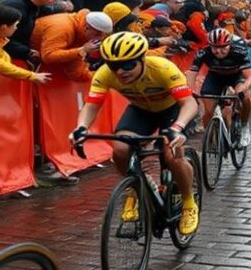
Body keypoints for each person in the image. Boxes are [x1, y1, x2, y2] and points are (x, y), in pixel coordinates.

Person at [70, 32, 200, 235]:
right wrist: (81, 128)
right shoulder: (105, 73)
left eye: (128, 64)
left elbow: (189, 103)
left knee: (171, 154)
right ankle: (136, 186)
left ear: (142, 59)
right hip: (141, 111)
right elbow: (91, 105)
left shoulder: (162, 68)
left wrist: (178, 128)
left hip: (174, 110)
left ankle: (188, 202)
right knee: (120, 148)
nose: (121, 71)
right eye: (114, 66)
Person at [185, 28, 251, 146]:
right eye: (215, 48)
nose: (218, 51)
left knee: (245, 96)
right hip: (215, 76)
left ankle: (244, 126)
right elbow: (192, 72)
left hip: (236, 76)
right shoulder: (204, 53)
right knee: (208, 111)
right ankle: (210, 136)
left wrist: (244, 88)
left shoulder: (238, 52)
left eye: (223, 48)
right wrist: (191, 91)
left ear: (229, 45)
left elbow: (248, 77)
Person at [30, 9, 112, 82]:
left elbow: (76, 73)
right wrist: (82, 50)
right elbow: (48, 56)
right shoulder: (62, 28)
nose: (100, 39)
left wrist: (102, 78)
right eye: (98, 34)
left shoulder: (81, 33)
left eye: (104, 35)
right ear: (87, 28)